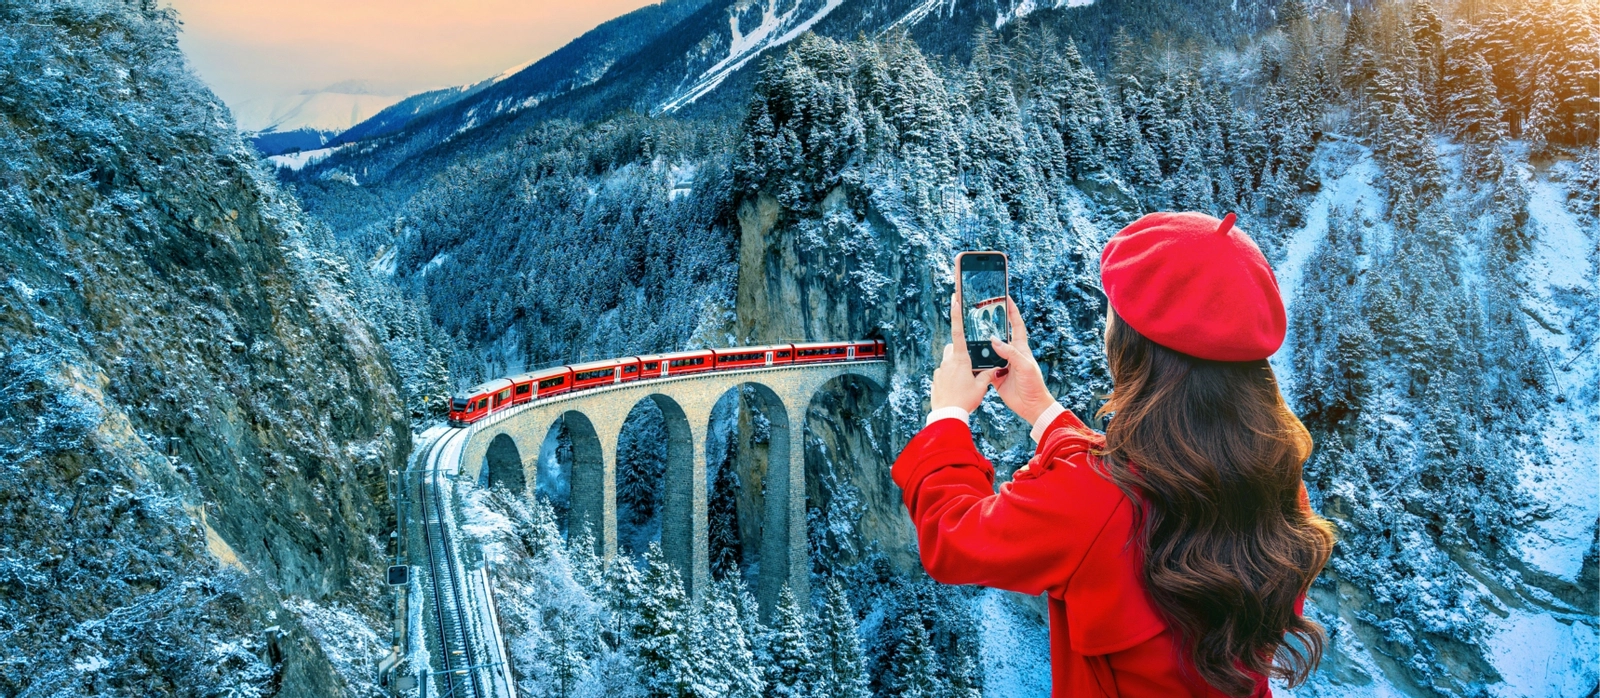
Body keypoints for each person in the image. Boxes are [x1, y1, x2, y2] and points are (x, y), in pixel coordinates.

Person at [892, 212, 1336, 697]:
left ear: (1132, 347)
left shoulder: (1093, 502)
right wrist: (1043, 412)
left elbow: (952, 536)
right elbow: (1129, 483)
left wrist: (948, 416)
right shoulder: (1277, 484)